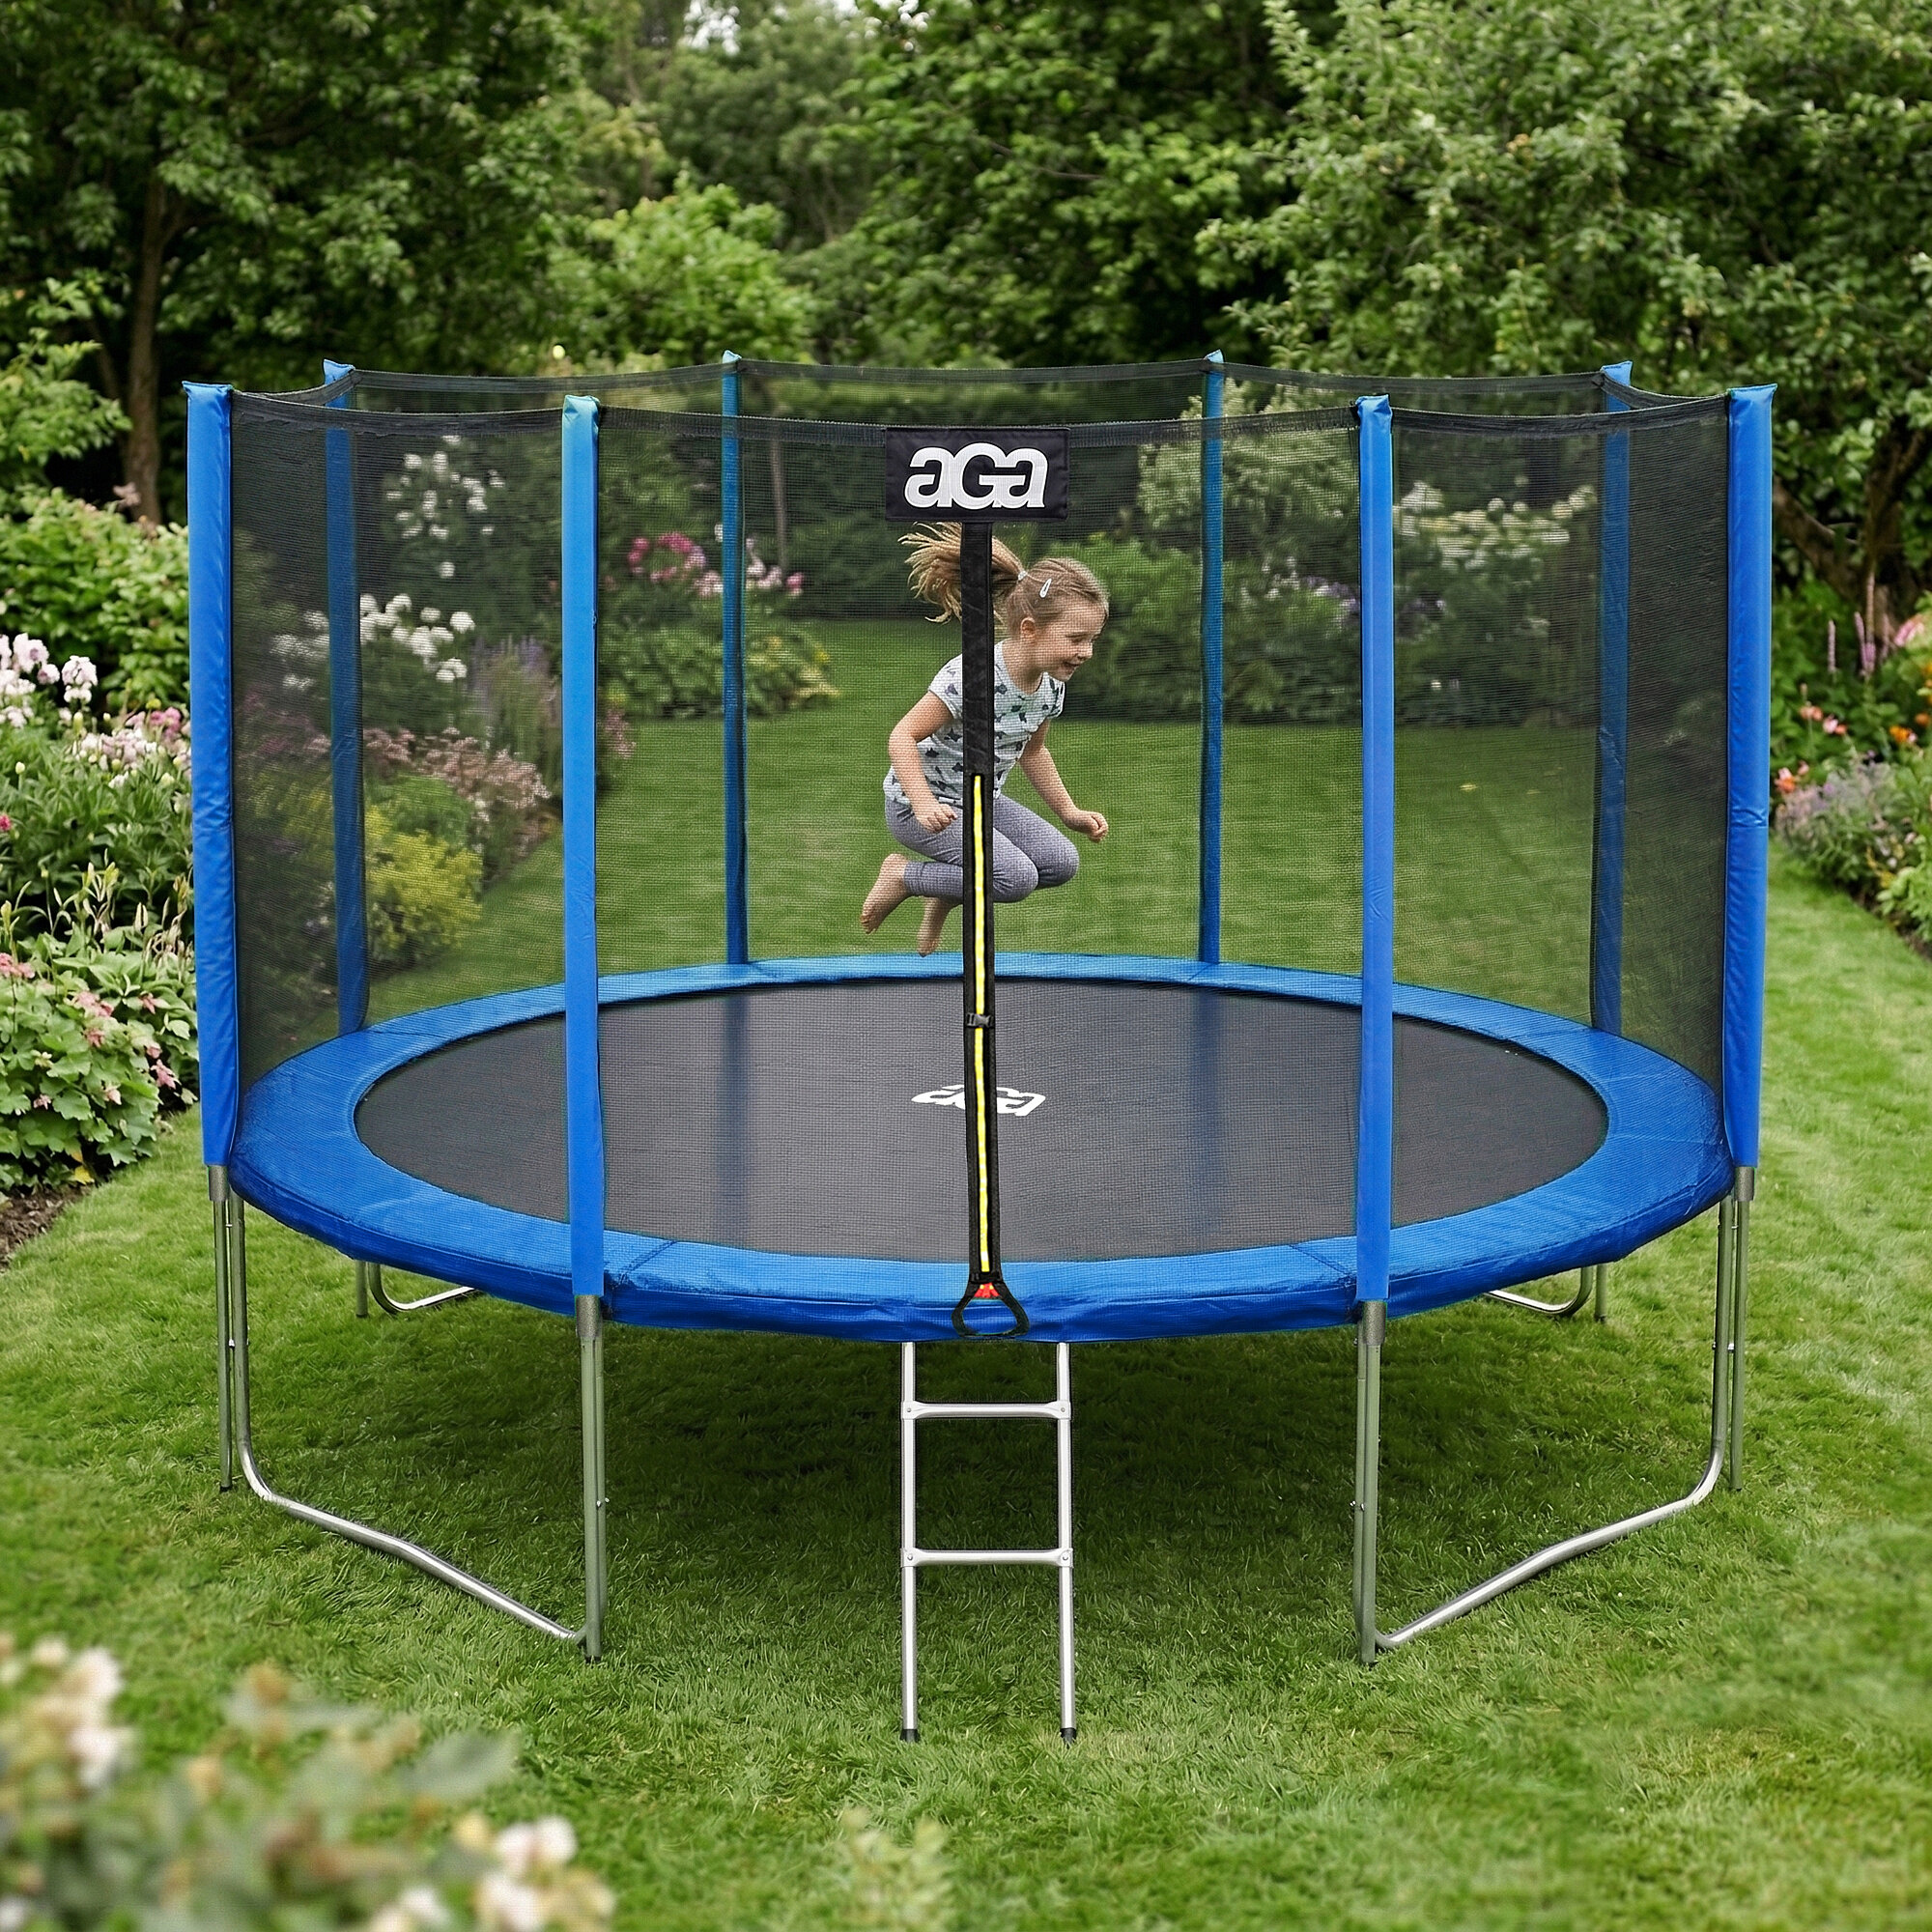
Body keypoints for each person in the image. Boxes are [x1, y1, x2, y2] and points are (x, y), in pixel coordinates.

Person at [861, 526, 1110, 954]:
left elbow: (1034, 751)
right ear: (1029, 629)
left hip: (980, 801)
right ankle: (903, 876)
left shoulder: (1051, 686)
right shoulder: (973, 675)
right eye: (1075, 639)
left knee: (1060, 863)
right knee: (1013, 879)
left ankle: (948, 889)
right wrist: (923, 803)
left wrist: (1069, 812)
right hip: (916, 807)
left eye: (1091, 640)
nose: (1086, 651)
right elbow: (902, 735)